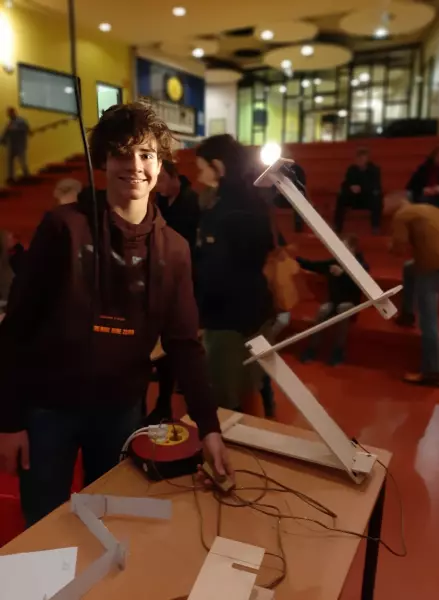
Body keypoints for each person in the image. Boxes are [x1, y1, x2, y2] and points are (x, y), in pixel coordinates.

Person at [0, 102, 231, 527]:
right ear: (104, 161)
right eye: (123, 153)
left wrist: (209, 427)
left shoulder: (175, 249)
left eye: (146, 154)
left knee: (109, 522)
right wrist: (9, 420)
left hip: (120, 412)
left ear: (160, 165)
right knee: (43, 525)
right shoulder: (63, 227)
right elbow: (17, 328)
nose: (136, 165)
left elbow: (184, 344)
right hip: (48, 409)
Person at [195, 134, 274, 413]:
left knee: (224, 399)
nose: (199, 175)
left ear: (218, 166)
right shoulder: (254, 200)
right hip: (254, 309)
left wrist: (199, 311)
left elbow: (216, 271)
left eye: (202, 168)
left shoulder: (225, 210)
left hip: (227, 318)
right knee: (248, 388)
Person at [148, 161, 200, 423]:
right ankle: (163, 401)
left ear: (174, 177)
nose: (157, 186)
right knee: (162, 344)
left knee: (177, 340)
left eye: (161, 180)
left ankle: (175, 399)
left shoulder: (191, 202)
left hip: (183, 278)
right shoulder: (161, 200)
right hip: (162, 276)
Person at [386, 192, 439, 387]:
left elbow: (398, 249)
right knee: (409, 268)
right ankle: (407, 314)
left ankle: (431, 372)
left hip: (430, 266)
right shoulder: (432, 210)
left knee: (428, 320)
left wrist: (391, 246)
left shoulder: (401, 216)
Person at [297, 234, 368, 366]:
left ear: (352, 249)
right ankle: (312, 348)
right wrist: (295, 259)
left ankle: (338, 351)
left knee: (343, 309)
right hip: (333, 302)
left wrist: (343, 275)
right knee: (323, 310)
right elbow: (312, 265)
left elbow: (363, 283)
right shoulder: (333, 262)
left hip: (350, 304)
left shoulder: (361, 265)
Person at [334, 148, 382, 234]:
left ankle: (375, 226)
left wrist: (362, 188)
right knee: (341, 197)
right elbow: (345, 184)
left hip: (367, 198)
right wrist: (351, 187)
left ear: (367, 159)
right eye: (359, 159)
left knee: (377, 198)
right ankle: (337, 226)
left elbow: (376, 186)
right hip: (354, 198)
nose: (360, 161)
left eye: (362, 158)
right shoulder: (352, 170)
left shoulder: (374, 170)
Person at [406, 146, 439, 216]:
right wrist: (424, 190)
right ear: (434, 157)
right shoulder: (424, 169)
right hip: (425, 195)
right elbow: (411, 185)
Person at [1, 107, 30, 184]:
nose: (9, 115)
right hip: (12, 145)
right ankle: (10, 177)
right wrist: (2, 140)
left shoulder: (21, 121)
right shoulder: (9, 123)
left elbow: (27, 129)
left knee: (22, 162)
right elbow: (5, 133)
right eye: (8, 114)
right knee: (9, 162)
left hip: (20, 145)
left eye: (11, 113)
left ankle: (27, 176)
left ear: (14, 113)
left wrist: (15, 128)